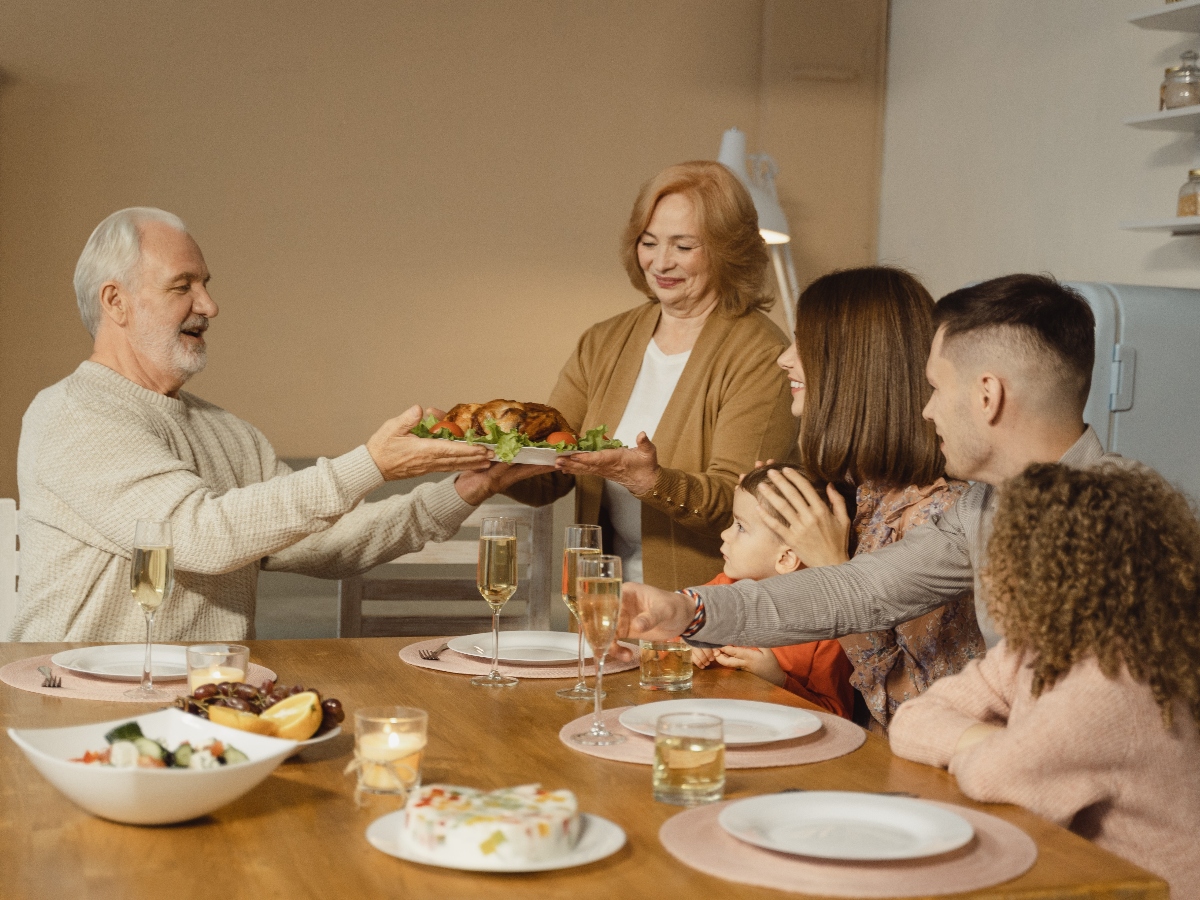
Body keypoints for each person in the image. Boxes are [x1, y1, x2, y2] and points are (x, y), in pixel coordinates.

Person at [13, 207, 539, 642]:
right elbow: (195, 536)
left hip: (205, 701)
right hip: (74, 700)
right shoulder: (73, 414)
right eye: (183, 286)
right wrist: (371, 464)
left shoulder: (229, 433)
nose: (210, 306)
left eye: (206, 284)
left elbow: (329, 541)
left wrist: (466, 491)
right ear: (116, 302)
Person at [617, 273, 1135, 651]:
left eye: (935, 388)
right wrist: (685, 609)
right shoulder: (982, 506)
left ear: (987, 396)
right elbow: (858, 590)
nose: (926, 410)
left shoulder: (1123, 527)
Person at [889, 463, 1200, 896]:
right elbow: (912, 720)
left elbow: (990, 775)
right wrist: (999, 739)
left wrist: (1003, 747)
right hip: (1083, 875)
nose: (989, 574)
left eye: (1006, 555)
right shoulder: (1034, 651)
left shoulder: (1112, 684)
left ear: (1053, 572)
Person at [505, 161, 797, 590]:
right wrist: (492, 463)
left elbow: (738, 501)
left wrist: (653, 482)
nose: (661, 262)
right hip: (602, 601)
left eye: (683, 246)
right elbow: (551, 466)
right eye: (649, 242)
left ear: (726, 249)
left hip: (706, 611)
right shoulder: (603, 341)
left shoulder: (761, 354)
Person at [752, 267, 984, 734]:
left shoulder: (937, 516)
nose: (784, 358)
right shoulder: (856, 494)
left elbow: (918, 716)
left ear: (853, 369)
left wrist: (830, 568)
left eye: (804, 344)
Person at [690, 463, 854, 719]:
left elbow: (836, 716)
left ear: (786, 558)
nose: (724, 534)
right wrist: (688, 645)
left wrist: (778, 680)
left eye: (741, 527)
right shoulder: (725, 587)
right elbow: (665, 634)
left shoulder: (829, 630)